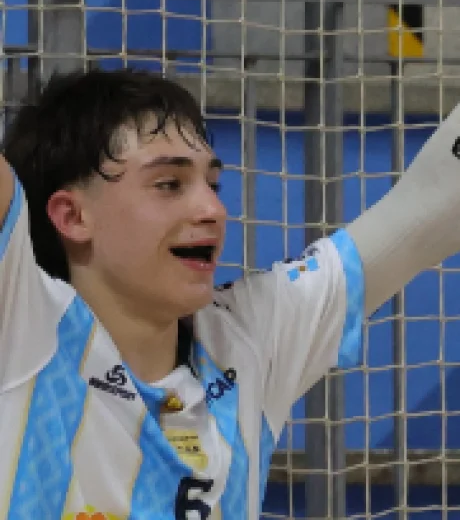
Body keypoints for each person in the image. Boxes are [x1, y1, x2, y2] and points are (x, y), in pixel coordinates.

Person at [0, 67, 459, 519]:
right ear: (73, 217)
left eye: (213, 184)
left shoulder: (248, 335)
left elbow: (428, 209)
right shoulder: (23, 322)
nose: (213, 209)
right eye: (169, 184)